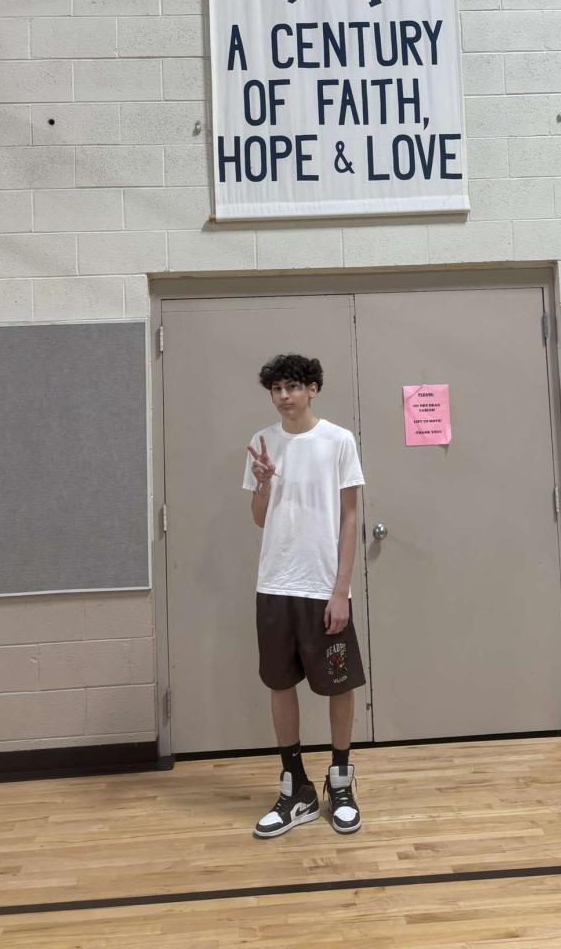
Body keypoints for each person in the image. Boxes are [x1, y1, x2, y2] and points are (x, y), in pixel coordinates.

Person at [243, 353, 367, 839]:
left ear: (312, 388)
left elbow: (350, 517)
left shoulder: (339, 440)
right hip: (274, 584)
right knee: (279, 682)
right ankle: (296, 787)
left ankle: (341, 780)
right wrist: (262, 484)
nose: (284, 396)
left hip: (322, 587)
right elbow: (259, 518)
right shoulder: (262, 443)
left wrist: (341, 590)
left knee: (338, 684)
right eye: (276, 389)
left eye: (292, 386)